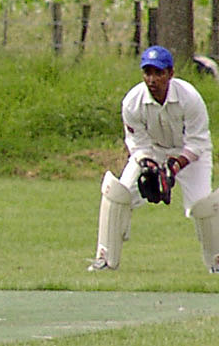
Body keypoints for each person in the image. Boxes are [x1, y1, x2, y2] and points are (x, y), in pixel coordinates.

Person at [88, 45, 217, 273]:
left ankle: (216, 261)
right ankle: (105, 259)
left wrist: (174, 167)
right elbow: (138, 143)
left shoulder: (190, 98)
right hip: (153, 151)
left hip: (190, 155)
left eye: (159, 73)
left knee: (204, 206)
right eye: (148, 73)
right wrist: (148, 165)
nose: (152, 80)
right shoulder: (132, 102)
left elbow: (197, 142)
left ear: (170, 74)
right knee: (118, 193)